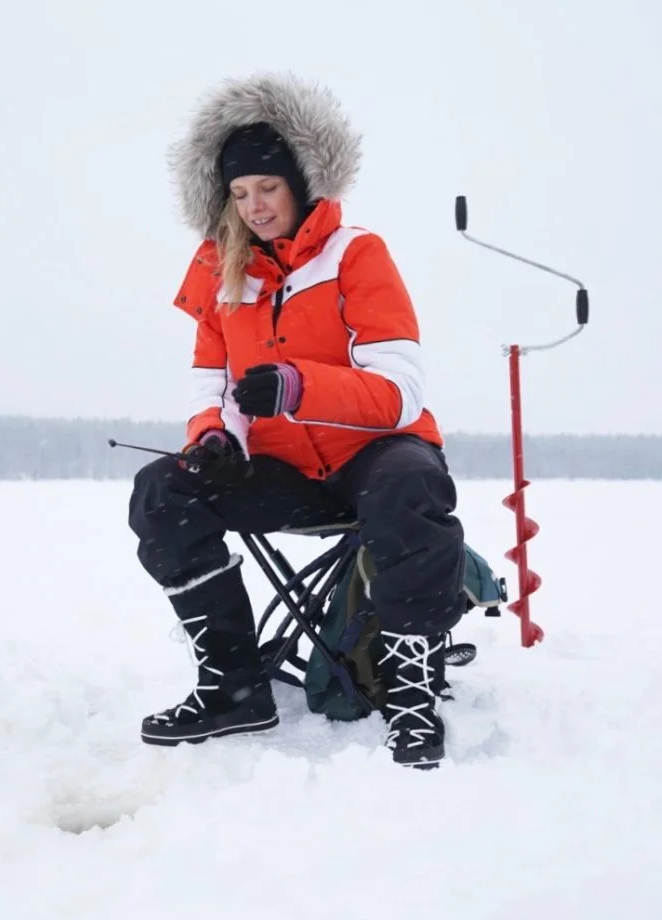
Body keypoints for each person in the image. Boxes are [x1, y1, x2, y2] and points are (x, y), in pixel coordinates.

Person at [128, 71, 467, 768]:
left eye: (268, 188)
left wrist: (295, 386)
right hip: (282, 468)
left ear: (304, 180)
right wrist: (216, 438)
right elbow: (210, 381)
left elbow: (399, 390)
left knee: (410, 484)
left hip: (374, 456)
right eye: (239, 193)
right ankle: (234, 683)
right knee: (163, 492)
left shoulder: (357, 254)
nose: (253, 206)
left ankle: (413, 693)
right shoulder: (220, 270)